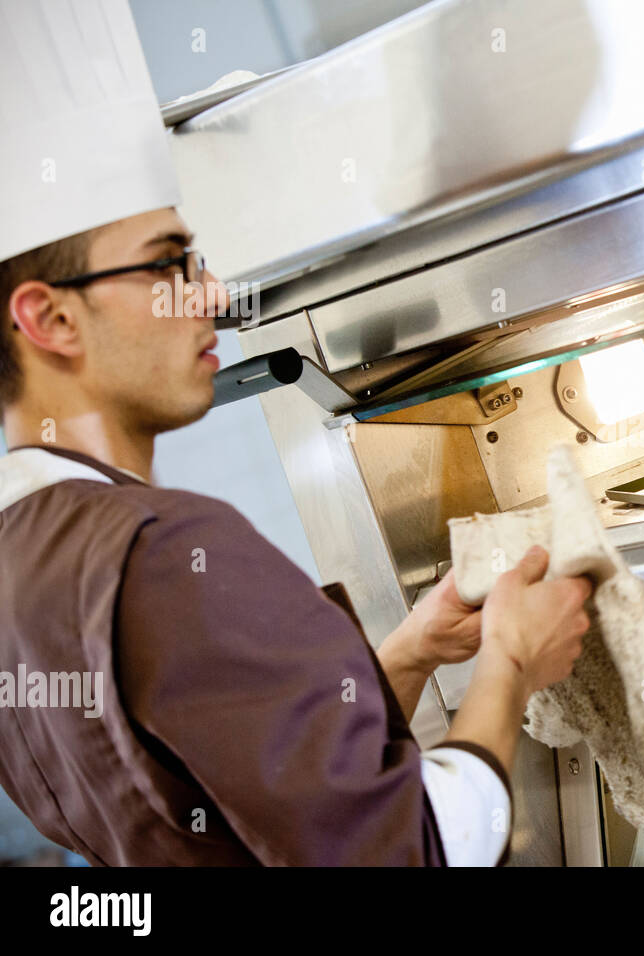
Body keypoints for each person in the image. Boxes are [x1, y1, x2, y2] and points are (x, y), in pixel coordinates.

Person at [0, 0, 591, 866]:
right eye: (168, 264)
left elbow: (250, 797)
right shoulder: (163, 549)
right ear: (48, 318)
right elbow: (414, 846)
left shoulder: (21, 562)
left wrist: (409, 653)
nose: (211, 296)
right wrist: (511, 659)